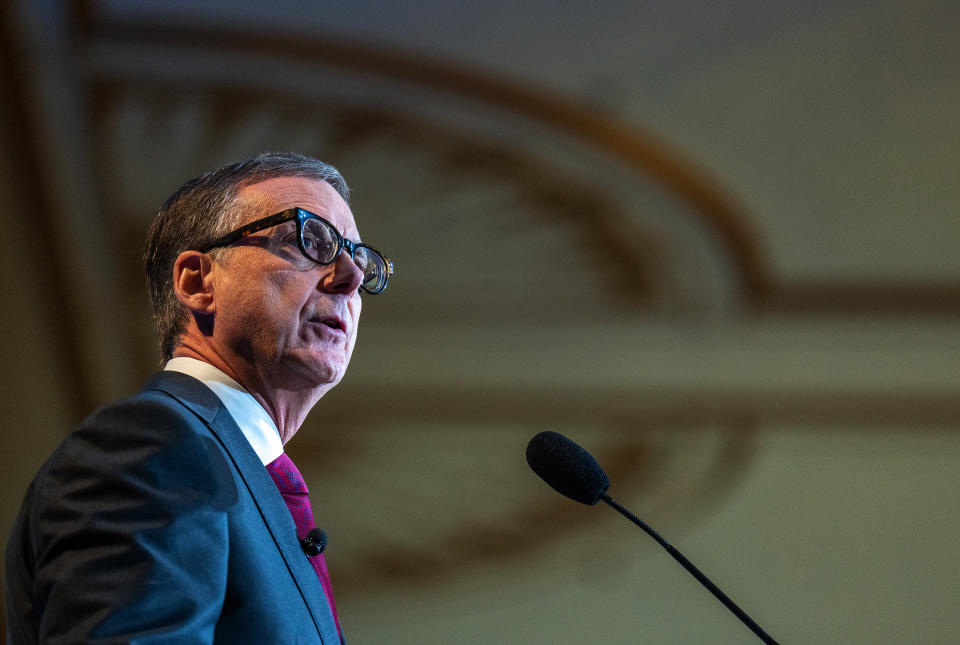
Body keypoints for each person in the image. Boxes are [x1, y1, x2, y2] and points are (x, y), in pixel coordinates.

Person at [4, 152, 393, 644]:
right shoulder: (153, 447)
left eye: (359, 259)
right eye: (311, 240)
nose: (352, 278)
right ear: (197, 281)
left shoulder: (240, 473)